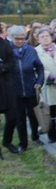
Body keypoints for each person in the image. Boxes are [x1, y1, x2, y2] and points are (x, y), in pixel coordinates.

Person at [8, 25, 44, 150]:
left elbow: (39, 67)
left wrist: (39, 81)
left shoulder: (30, 50)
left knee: (33, 115)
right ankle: (23, 143)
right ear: (11, 38)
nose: (20, 41)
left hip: (30, 88)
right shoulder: (8, 51)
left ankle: (35, 136)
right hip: (15, 91)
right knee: (20, 118)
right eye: (17, 38)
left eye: (22, 38)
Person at [35, 27, 56, 143]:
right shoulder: (36, 52)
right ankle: (52, 137)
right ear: (38, 39)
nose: (45, 38)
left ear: (51, 37)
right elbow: (36, 68)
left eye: (47, 36)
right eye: (42, 37)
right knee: (50, 112)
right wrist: (51, 76)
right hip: (48, 86)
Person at [0, 22, 18, 155]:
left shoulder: (5, 45)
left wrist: (3, 67)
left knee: (12, 117)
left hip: (6, 85)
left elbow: (12, 61)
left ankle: (7, 141)